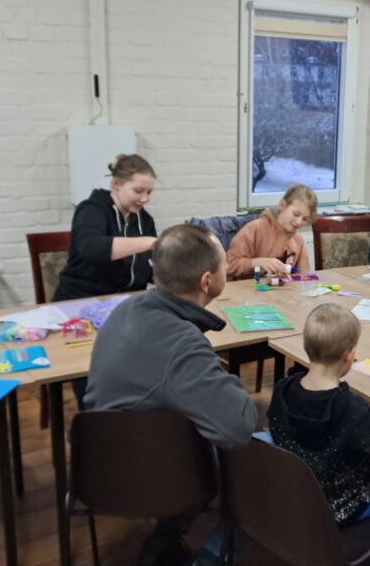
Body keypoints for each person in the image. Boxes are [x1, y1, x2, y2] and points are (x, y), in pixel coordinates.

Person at [84, 224, 257, 566]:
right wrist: (227, 380)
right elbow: (238, 428)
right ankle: (207, 559)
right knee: (263, 460)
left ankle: (165, 542)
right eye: (224, 265)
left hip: (95, 462)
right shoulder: (182, 344)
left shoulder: (128, 309)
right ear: (207, 281)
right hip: (141, 476)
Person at [267, 304, 370, 524]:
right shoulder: (353, 408)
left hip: (293, 493)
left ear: (305, 345)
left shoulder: (282, 390)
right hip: (339, 506)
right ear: (349, 355)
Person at [53, 154, 158, 407]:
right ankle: (97, 422)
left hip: (125, 308)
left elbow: (150, 268)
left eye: (149, 192)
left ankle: (131, 416)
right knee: (93, 377)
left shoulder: (144, 220)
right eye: (138, 191)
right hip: (80, 305)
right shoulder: (91, 209)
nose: (145, 199)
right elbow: (93, 247)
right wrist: (150, 243)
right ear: (116, 185)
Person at [226, 184, 315, 280]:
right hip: (247, 288)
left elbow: (304, 275)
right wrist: (256, 262)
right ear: (283, 206)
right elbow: (229, 266)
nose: (299, 222)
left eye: (305, 219)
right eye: (296, 214)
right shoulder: (255, 229)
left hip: (282, 289)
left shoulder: (298, 240)